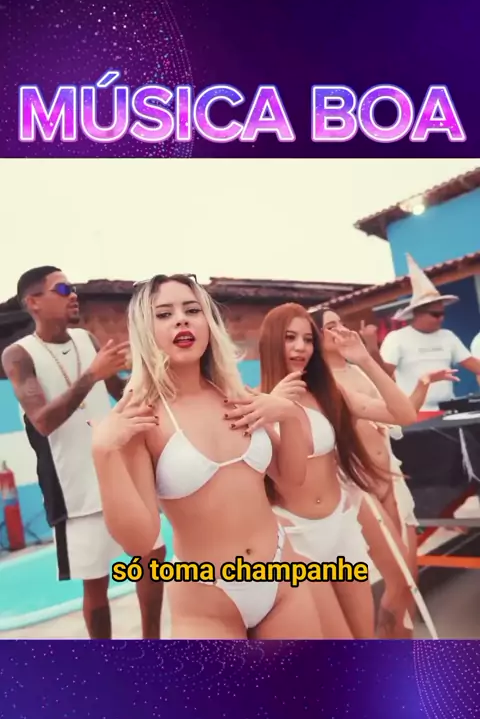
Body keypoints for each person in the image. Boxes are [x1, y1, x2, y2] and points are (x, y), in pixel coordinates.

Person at [90, 274, 324, 640]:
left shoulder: (237, 395)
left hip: (282, 577)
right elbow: (140, 542)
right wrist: (103, 453)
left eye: (192, 310)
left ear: (208, 323)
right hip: (207, 598)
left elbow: (291, 480)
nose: (181, 320)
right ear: (145, 331)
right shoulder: (142, 417)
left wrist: (290, 415)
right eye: (164, 314)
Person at [1, 266, 166, 640]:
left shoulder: (87, 339)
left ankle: (152, 646)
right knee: (96, 585)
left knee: (152, 559)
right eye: (62, 289)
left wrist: (148, 373)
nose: (73, 294)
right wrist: (92, 374)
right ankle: (103, 659)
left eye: (72, 287)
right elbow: (43, 421)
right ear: (34, 302)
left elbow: (119, 391)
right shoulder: (19, 355)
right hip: (74, 488)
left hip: (120, 474)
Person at [258, 302, 417, 640]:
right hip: (295, 535)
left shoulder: (329, 393)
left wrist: (364, 359)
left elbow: (403, 414)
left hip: (341, 525)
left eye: (307, 339)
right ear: (271, 341)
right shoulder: (257, 402)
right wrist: (277, 406)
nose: (301, 347)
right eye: (289, 338)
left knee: (363, 636)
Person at [319, 307, 447, 639]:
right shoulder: (320, 384)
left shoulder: (359, 373)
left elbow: (401, 412)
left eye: (341, 323)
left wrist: (421, 384)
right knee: (397, 578)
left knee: (410, 579)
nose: (340, 330)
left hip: (390, 476)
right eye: (330, 326)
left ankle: (400, 653)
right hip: (359, 485)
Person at [373, 255, 480, 419]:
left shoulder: (448, 336)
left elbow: (475, 366)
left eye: (443, 314)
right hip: (415, 412)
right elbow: (383, 376)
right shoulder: (397, 338)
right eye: (435, 314)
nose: (441, 318)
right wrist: (371, 348)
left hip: (448, 411)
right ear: (417, 313)